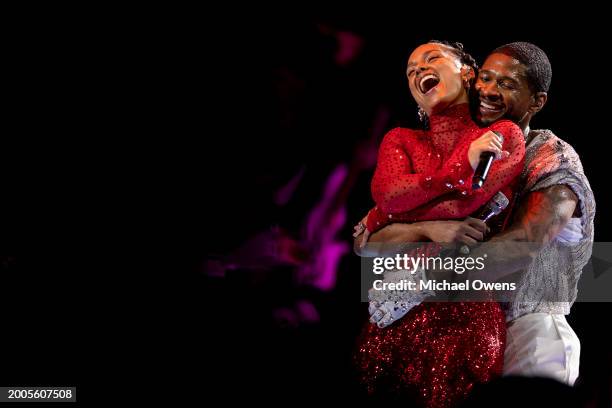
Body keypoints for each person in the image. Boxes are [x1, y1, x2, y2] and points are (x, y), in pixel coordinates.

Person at [355, 42, 594, 387]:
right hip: (466, 322)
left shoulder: (553, 158)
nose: (489, 91)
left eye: (507, 84)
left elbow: (522, 244)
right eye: (486, 78)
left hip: (531, 328)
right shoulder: (462, 150)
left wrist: (426, 279)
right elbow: (367, 240)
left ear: (537, 102)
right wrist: (427, 229)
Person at [353, 41, 526, 407]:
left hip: (465, 317)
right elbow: (389, 195)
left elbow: (465, 203)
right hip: (393, 317)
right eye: (411, 70)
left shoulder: (503, 135)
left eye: (430, 59)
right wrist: (427, 226)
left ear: (467, 71)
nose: (418, 71)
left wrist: (379, 219)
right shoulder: (399, 139)